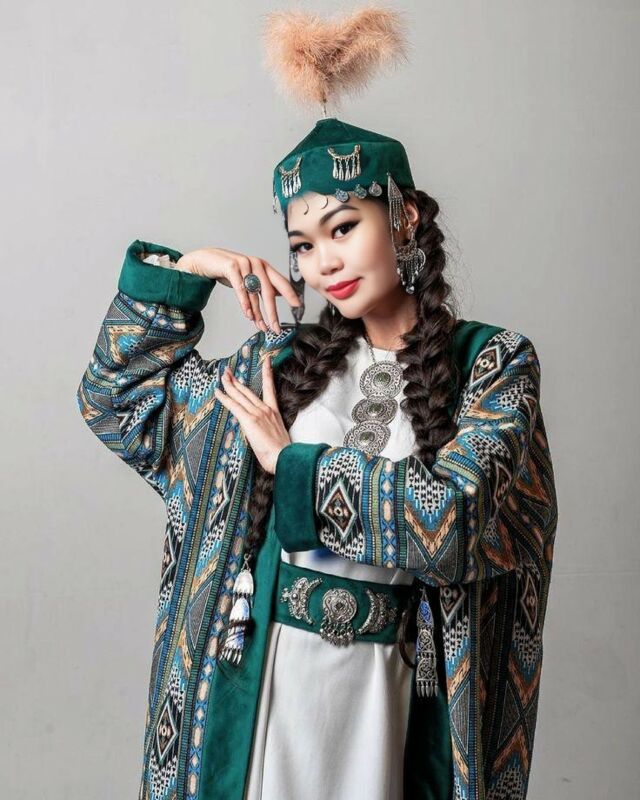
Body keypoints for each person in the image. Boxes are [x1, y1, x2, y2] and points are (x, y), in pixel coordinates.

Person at [76, 11, 558, 800]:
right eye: (303, 244)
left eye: (343, 228)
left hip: (387, 698)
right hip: (268, 688)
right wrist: (188, 272)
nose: (323, 262)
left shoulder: (492, 365)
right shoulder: (278, 367)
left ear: (403, 218)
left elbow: (453, 517)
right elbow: (117, 401)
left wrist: (289, 463)